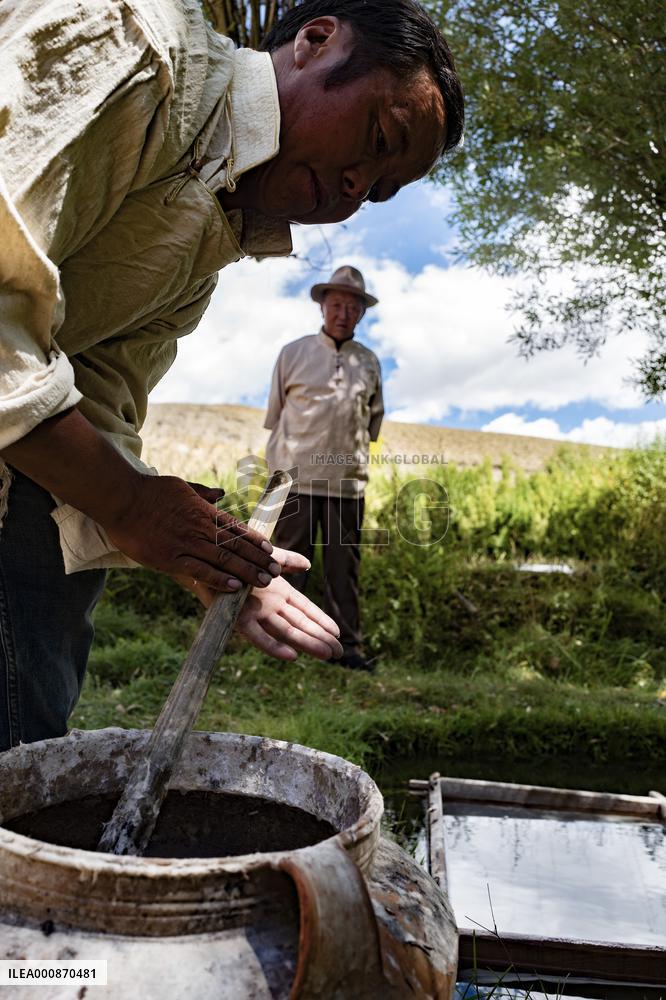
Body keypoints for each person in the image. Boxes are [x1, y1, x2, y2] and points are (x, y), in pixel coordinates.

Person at [0, 0, 464, 749]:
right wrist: (132, 503)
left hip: (34, 478)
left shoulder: (204, 252)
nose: (354, 187)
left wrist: (202, 556)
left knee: (28, 751)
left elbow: (101, 403)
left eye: (377, 189)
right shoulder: (135, 44)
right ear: (315, 42)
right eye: (378, 139)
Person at [265, 266, 383, 672]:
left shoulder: (369, 362)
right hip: (293, 480)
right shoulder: (293, 353)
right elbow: (277, 416)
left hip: (347, 485)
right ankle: (279, 644)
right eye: (336, 304)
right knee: (286, 565)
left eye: (353, 306)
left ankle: (345, 650)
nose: (343, 313)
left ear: (361, 314)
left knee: (342, 571)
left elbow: (372, 425)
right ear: (322, 306)